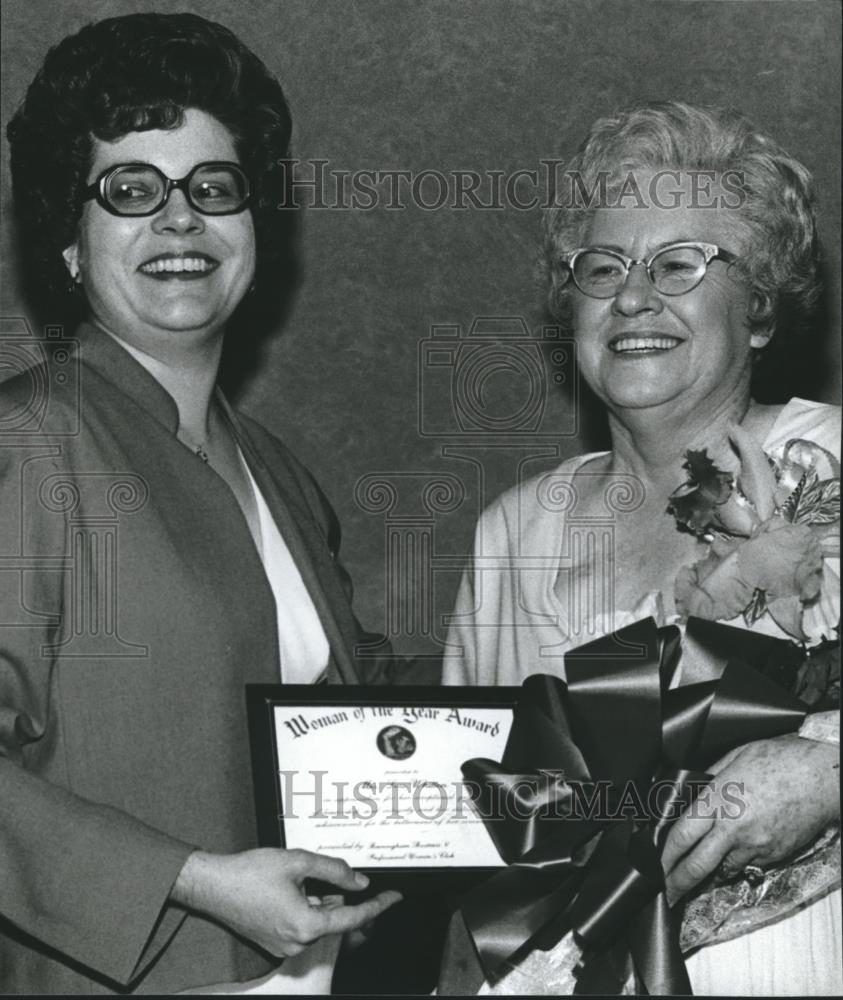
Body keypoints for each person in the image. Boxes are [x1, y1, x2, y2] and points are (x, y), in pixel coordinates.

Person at [0, 13, 411, 994]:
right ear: (70, 238)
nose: (179, 219)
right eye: (130, 190)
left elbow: (361, 726)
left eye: (212, 187)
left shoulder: (283, 476)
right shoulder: (31, 443)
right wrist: (194, 880)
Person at [442, 102, 840, 994]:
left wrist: (833, 771)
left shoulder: (833, 461)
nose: (631, 297)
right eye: (602, 266)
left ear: (762, 310)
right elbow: (480, 829)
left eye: (678, 264)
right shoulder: (513, 532)